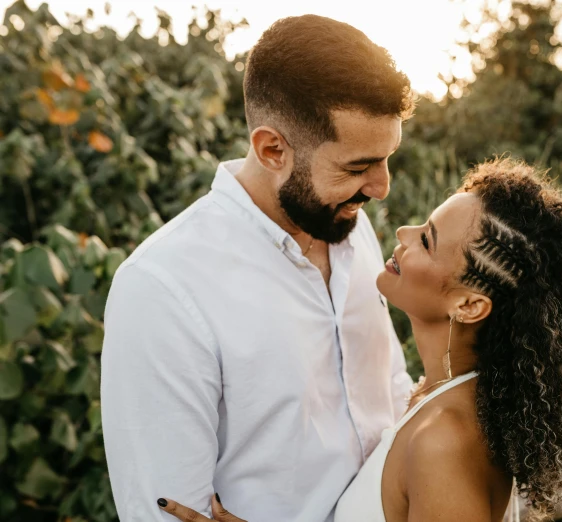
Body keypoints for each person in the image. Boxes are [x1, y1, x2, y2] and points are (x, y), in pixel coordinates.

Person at [156, 159, 562, 522]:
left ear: (468, 305)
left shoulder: (446, 443)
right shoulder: (445, 398)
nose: (403, 234)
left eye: (428, 241)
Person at [100, 15, 415, 522]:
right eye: (357, 167)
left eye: (386, 158)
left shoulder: (352, 228)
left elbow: (388, 392)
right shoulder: (163, 287)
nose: (382, 187)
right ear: (273, 149)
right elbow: (164, 511)